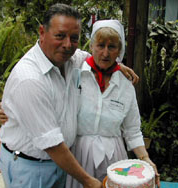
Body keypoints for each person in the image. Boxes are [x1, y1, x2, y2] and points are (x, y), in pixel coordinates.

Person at [0, 3, 138, 188]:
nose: (67, 45)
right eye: (60, 36)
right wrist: (89, 181)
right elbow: (52, 145)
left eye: (74, 38)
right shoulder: (29, 79)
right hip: (31, 167)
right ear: (42, 32)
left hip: (60, 165)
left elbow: (96, 57)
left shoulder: (70, 59)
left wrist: (118, 66)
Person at [65, 20, 160, 188]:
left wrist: (145, 159)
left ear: (120, 50)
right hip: (79, 155)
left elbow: (132, 130)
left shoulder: (125, 84)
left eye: (112, 47)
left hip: (114, 159)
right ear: (92, 46)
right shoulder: (76, 72)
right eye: (100, 45)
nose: (105, 53)